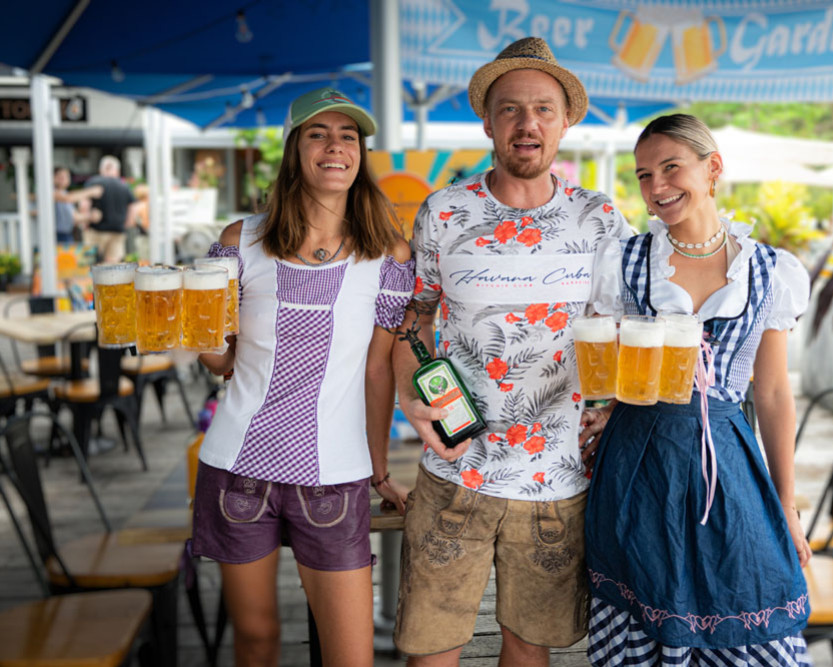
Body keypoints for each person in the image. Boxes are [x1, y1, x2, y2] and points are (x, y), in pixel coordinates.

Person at [392, 37, 631, 666]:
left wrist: (617, 408)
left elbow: (632, 325)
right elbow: (411, 322)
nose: (528, 123)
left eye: (544, 109)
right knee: (430, 652)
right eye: (511, 109)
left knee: (529, 653)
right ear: (488, 121)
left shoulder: (601, 219)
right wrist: (411, 398)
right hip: (455, 472)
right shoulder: (445, 212)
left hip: (558, 475)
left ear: (565, 120)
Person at [191, 88, 413, 667]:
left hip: (335, 477)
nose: (335, 146)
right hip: (238, 470)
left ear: (360, 154)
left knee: (350, 657)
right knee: (258, 642)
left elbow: (376, 369)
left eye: (348, 136)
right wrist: (195, 336)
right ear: (294, 150)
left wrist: (380, 467)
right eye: (318, 134)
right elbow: (219, 361)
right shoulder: (242, 241)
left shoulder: (389, 255)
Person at [585, 114, 813, 666]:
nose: (657, 187)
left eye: (670, 167)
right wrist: (603, 406)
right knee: (647, 615)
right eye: (643, 176)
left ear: (712, 169)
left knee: (753, 605)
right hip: (639, 464)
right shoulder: (626, 262)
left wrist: (786, 503)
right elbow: (608, 366)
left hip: (728, 464)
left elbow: (775, 393)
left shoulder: (769, 271)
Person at [84, 155, 138, 262]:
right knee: (113, 265)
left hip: (96, 230)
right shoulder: (125, 186)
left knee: (91, 262)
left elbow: (84, 204)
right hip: (117, 231)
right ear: (117, 171)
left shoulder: (93, 182)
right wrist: (128, 223)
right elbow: (133, 207)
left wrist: (85, 222)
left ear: (101, 169)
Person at [53, 166, 101, 244]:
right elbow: (67, 198)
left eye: (66, 176)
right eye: (60, 176)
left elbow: (74, 217)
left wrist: (90, 216)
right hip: (56, 236)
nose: (64, 179)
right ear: (53, 178)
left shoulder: (64, 193)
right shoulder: (52, 192)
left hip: (66, 235)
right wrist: (91, 192)